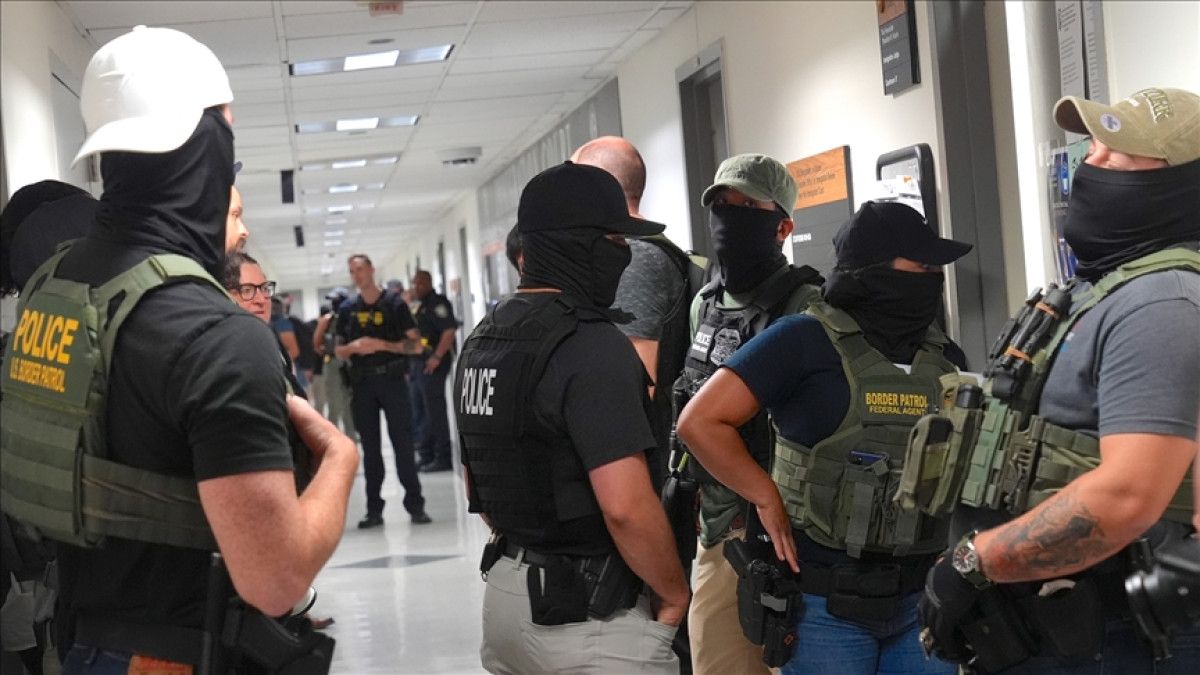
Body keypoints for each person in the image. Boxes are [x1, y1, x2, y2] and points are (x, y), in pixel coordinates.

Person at [0, 26, 358, 672]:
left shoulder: (56, 287)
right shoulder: (215, 335)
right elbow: (275, 580)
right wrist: (341, 459)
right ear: (208, 142)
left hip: (79, 642)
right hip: (173, 655)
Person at [917, 87, 1200, 673]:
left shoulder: (1161, 303)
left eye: (1117, 153)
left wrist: (973, 563)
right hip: (1042, 625)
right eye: (1093, 146)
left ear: (1175, 183)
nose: (1091, 163)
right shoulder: (1100, 292)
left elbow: (1126, 498)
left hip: (1105, 635)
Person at [678, 201, 972, 674]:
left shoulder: (943, 357)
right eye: (921, 265)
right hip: (823, 605)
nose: (933, 276)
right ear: (875, 268)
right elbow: (700, 421)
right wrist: (763, 495)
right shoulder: (803, 340)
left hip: (919, 600)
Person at [456, 161, 690, 674]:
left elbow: (481, 486)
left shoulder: (482, 340)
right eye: (615, 239)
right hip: (589, 620)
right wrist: (674, 593)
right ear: (578, 245)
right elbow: (626, 508)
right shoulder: (591, 344)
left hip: (506, 599)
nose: (623, 252)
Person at [674, 153, 824, 675]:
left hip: (786, 529)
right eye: (721, 204)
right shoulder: (704, 303)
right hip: (719, 527)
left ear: (783, 227)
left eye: (746, 206)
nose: (728, 217)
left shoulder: (807, 306)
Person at [336, 253, 431, 528]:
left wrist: (383, 345)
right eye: (352, 271)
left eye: (360, 269)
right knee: (370, 449)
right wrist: (354, 348)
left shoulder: (394, 304)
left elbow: (416, 345)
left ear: (371, 269)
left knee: (403, 445)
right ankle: (373, 510)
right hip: (362, 384)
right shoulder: (347, 309)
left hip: (392, 382)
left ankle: (415, 506)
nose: (357, 275)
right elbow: (338, 350)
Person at [410, 269, 460, 472]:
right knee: (420, 410)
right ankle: (426, 454)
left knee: (434, 411)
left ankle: (443, 456)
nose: (416, 287)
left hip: (434, 363)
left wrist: (437, 357)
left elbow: (449, 331)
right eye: (415, 283)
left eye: (420, 283)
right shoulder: (419, 305)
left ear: (429, 282)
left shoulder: (437, 303)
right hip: (420, 363)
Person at [315, 287, 357, 439]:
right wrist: (329, 351)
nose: (333, 304)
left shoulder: (353, 317)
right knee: (333, 402)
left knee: (350, 402)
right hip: (332, 363)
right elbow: (317, 343)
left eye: (336, 300)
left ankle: (351, 436)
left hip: (351, 363)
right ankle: (334, 438)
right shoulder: (328, 319)